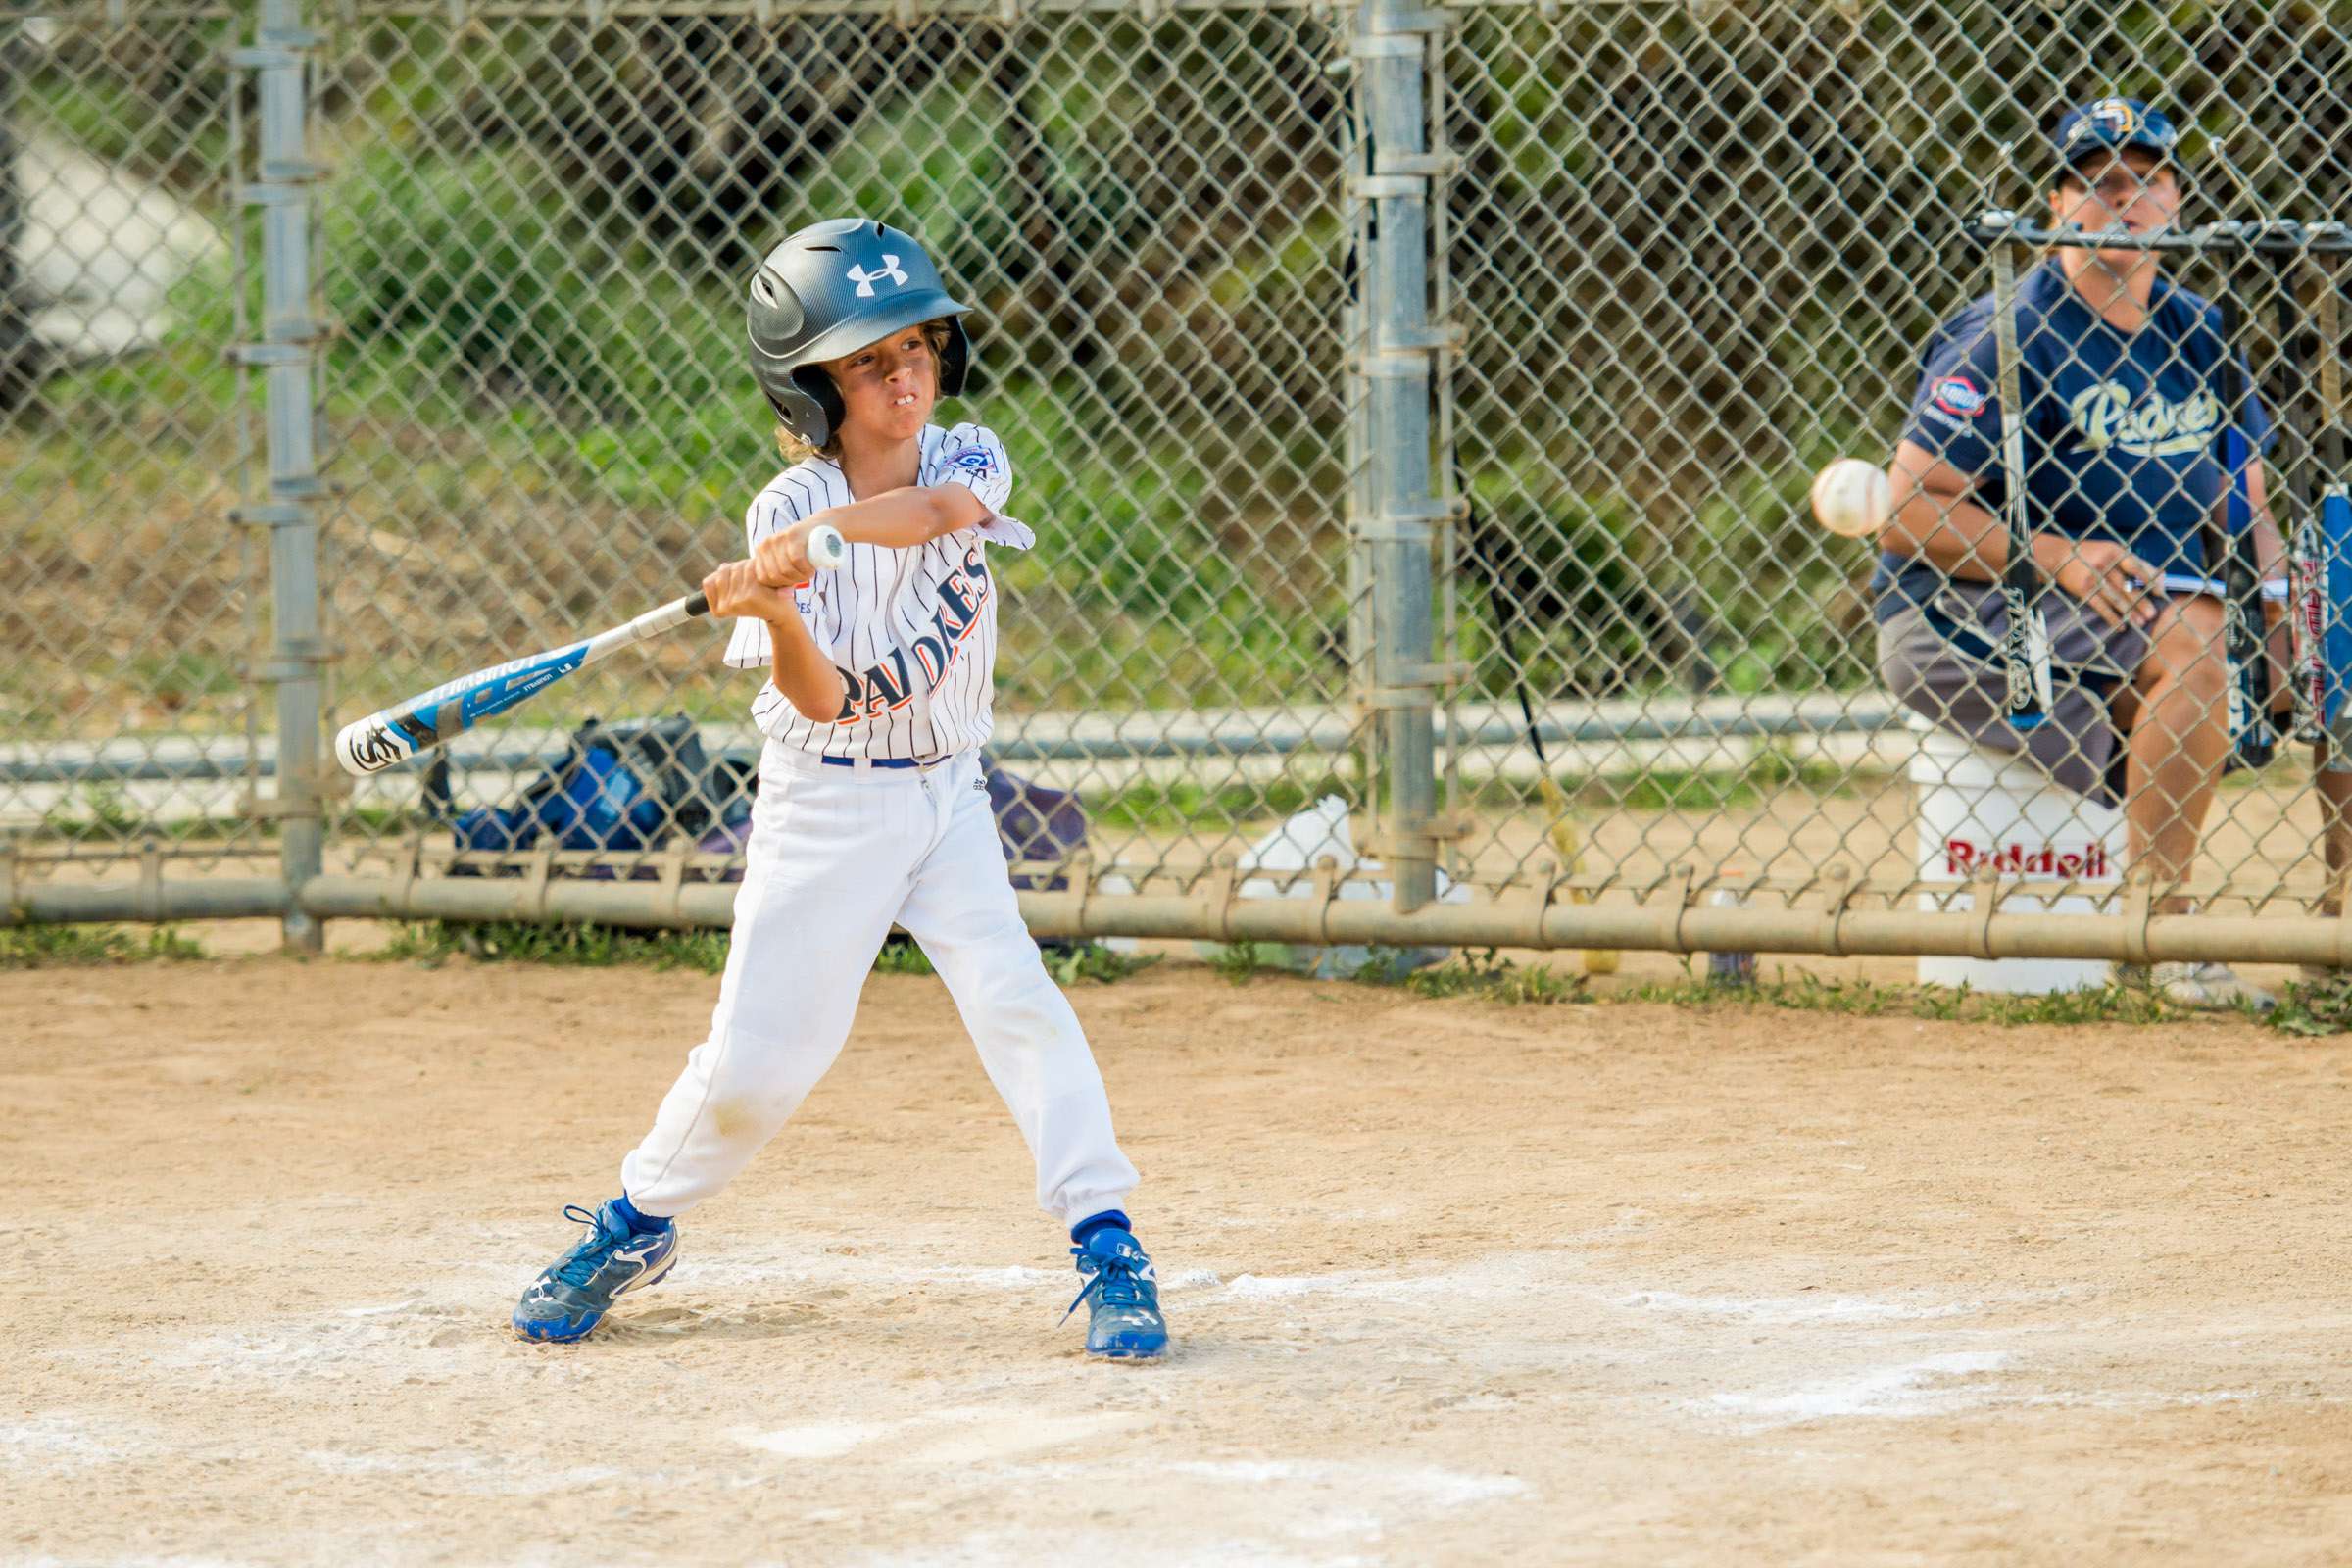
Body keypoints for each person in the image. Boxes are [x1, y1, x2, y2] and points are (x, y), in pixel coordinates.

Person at [510, 218, 1169, 1359]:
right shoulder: (777, 515)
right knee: (761, 1059)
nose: (903, 375)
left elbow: (935, 518)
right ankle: (635, 1221)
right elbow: (820, 701)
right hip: (824, 804)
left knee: (1020, 1001)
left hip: (950, 796)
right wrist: (770, 603)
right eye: (867, 362)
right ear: (812, 386)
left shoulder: (971, 456)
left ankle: (1108, 1241)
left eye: (915, 347)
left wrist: (820, 538)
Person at [1875, 96, 2294, 1009]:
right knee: (2193, 637)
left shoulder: (2202, 333)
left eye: (2147, 181)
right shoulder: (2011, 334)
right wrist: (2056, 557)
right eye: (2099, 183)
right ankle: (2160, 936)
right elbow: (1905, 511)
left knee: (2316, 628)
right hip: (1965, 610)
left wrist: (2286, 599)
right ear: (2057, 203)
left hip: (2130, 610)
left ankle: (2339, 927)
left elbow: (2244, 504)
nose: (2125, 202)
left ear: (2177, 202)